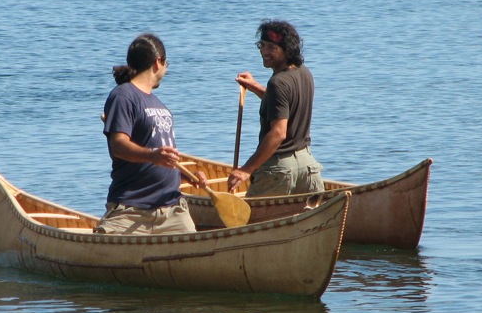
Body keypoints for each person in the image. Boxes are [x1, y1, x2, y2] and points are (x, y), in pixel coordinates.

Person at [94, 33, 205, 235]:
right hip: (132, 210)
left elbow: (159, 157)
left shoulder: (160, 106)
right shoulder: (123, 96)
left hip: (173, 210)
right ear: (158, 62)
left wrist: (187, 177)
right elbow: (118, 145)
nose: (166, 68)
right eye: (166, 63)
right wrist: (153, 155)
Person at [228, 20, 325, 197]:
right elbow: (282, 104)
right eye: (262, 45)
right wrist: (254, 86)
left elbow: (278, 133)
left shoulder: (278, 83)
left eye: (272, 47)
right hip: (307, 166)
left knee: (253, 224)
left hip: (279, 170)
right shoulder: (304, 73)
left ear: (287, 49)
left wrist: (246, 170)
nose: (264, 52)